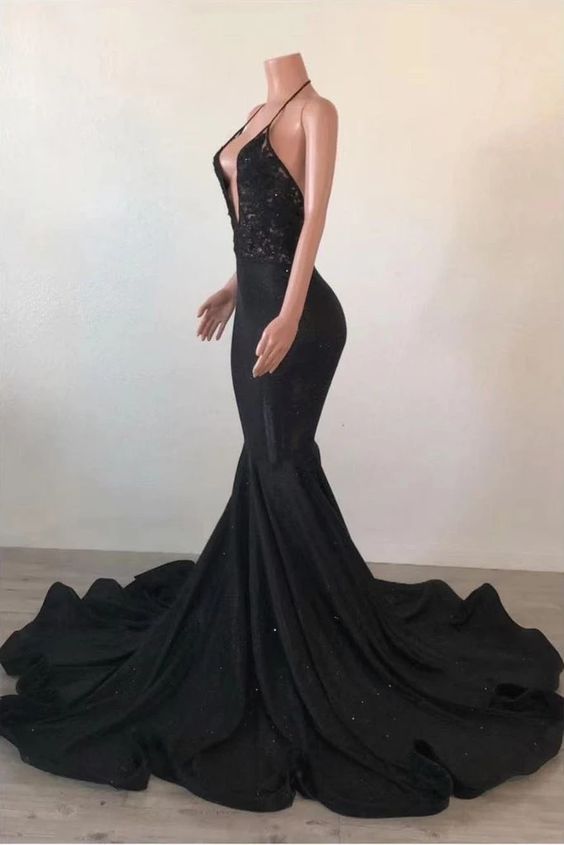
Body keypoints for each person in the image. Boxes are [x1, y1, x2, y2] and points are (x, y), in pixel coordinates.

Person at [1, 55, 563, 819]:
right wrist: (236, 288)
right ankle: (270, 617)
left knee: (280, 465)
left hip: (300, 320)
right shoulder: (255, 114)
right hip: (256, 309)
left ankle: (320, 642)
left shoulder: (314, 111)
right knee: (268, 465)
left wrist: (290, 313)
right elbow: (257, 224)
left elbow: (312, 221)